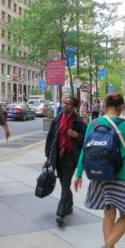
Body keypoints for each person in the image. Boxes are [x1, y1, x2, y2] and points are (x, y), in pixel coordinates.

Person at [74, 93, 125, 248]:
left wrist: (78, 174)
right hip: (122, 177)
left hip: (100, 177)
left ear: (105, 106)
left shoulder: (94, 124)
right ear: (121, 107)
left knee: (108, 215)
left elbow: (85, 150)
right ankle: (107, 247)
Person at [45, 95, 86, 226]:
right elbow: (50, 138)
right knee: (64, 183)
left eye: (68, 104)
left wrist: (77, 136)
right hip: (58, 155)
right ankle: (69, 205)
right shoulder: (57, 119)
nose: (65, 105)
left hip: (71, 155)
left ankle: (60, 213)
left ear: (74, 106)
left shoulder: (79, 122)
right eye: (64, 103)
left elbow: (87, 139)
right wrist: (49, 156)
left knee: (65, 184)